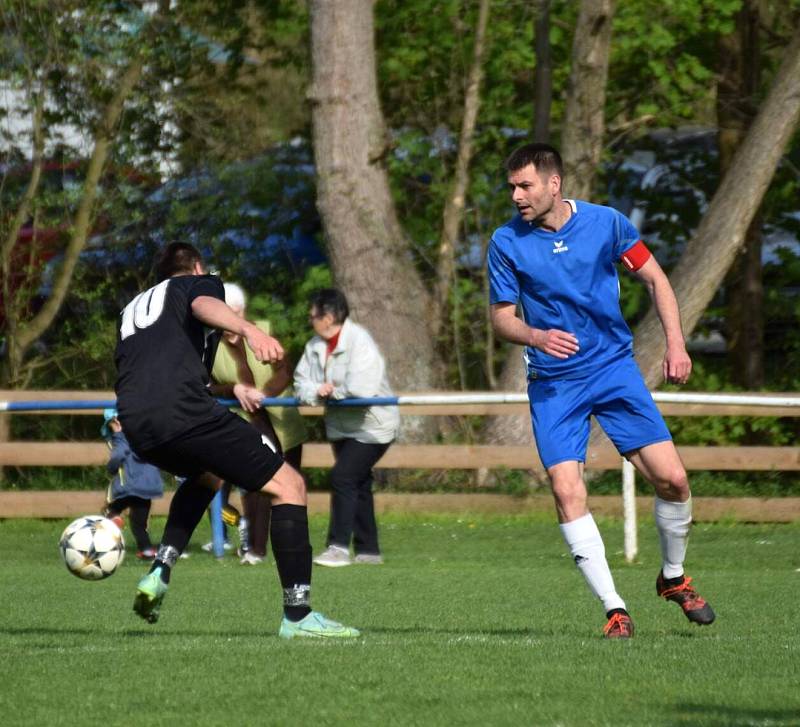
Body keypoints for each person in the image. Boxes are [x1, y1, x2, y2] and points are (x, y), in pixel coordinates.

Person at [487, 143, 715, 639]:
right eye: (512, 188)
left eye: (525, 186)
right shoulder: (506, 242)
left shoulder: (607, 224)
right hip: (554, 384)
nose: (517, 196)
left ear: (554, 184)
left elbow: (655, 279)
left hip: (613, 371)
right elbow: (502, 318)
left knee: (674, 481)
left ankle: (673, 578)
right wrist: (537, 336)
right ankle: (615, 608)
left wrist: (676, 345)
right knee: (567, 489)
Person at [114, 242, 359, 639]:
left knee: (208, 475)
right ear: (196, 268)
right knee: (290, 485)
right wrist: (249, 329)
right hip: (183, 411)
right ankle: (298, 616)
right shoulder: (195, 285)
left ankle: (161, 568)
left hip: (137, 423)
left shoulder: (133, 309)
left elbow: (165, 371)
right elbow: (203, 303)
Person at [294, 288, 399, 567]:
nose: (310, 320)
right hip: (340, 427)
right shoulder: (314, 346)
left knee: (342, 477)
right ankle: (369, 551)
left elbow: (362, 388)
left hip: (373, 425)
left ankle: (338, 547)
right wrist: (318, 390)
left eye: (312, 316)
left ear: (327, 317)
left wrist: (330, 392)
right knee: (359, 483)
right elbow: (301, 383)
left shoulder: (360, 341)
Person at [208, 282, 307, 565]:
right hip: (244, 425)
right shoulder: (209, 344)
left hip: (282, 425)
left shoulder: (264, 331)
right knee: (254, 486)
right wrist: (233, 389)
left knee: (289, 489)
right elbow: (206, 386)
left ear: (241, 310)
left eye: (232, 312)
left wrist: (264, 395)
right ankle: (256, 549)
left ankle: (292, 549)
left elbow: (284, 370)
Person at [101, 408, 164, 560]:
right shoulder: (145, 435)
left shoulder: (121, 437)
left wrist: (111, 468)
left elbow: (119, 453)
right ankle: (147, 550)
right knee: (138, 523)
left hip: (131, 485)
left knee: (110, 509)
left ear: (116, 423)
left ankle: (113, 518)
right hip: (149, 487)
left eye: (110, 426)